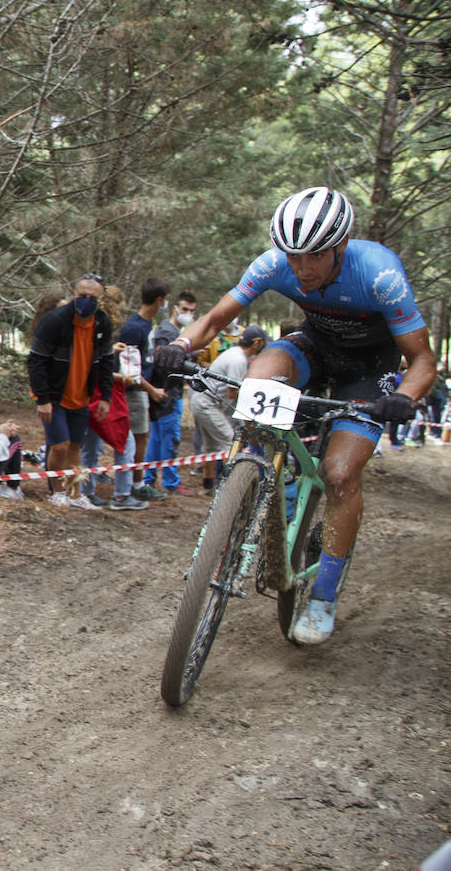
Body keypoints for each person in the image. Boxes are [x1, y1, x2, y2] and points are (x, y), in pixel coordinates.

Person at [156, 186, 434, 644]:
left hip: (369, 368)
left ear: (341, 246)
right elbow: (214, 319)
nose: (301, 269)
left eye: (314, 257)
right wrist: (181, 345)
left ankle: (324, 595)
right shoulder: (273, 264)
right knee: (258, 379)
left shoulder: (380, 275)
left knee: (340, 474)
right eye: (293, 256)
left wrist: (404, 396)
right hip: (315, 346)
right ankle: (249, 481)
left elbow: (422, 358)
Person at [26, 274, 114, 510]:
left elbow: (107, 361)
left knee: (76, 446)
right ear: (74, 295)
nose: (86, 301)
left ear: (101, 299)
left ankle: (76, 493)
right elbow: (36, 361)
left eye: (92, 297)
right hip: (54, 396)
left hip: (81, 396)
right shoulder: (55, 320)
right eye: (81, 296)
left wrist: (105, 396)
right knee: (60, 446)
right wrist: (43, 399)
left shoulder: (102, 323)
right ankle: (56, 491)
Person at [81, 285, 147, 512]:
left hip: (90, 394)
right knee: (125, 443)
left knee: (91, 445)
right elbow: (92, 364)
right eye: (117, 304)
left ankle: (86, 492)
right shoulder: (97, 325)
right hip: (101, 395)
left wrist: (113, 351)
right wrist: (119, 377)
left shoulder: (90, 325)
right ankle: (121, 495)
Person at [189, 324, 268, 492]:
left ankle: (208, 483)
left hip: (205, 402)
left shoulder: (233, 354)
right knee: (230, 442)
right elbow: (232, 393)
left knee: (210, 446)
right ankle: (230, 490)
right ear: (257, 343)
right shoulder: (238, 359)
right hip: (206, 403)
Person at [116, 278, 170, 505]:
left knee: (142, 437)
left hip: (142, 391)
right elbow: (129, 369)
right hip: (133, 392)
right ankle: (131, 487)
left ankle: (136, 483)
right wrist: (152, 390)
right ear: (159, 300)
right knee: (135, 439)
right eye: (166, 300)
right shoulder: (133, 328)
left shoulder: (147, 326)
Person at [140, 289, 197, 498]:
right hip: (167, 393)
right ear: (175, 307)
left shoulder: (177, 333)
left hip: (166, 392)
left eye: (191, 311)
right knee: (169, 439)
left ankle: (149, 477)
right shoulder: (167, 333)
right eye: (185, 309)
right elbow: (163, 365)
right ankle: (171, 482)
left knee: (157, 439)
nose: (188, 313)